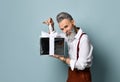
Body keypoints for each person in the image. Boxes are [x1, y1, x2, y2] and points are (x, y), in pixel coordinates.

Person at [43, 12, 93, 82]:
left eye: (66, 26)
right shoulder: (69, 35)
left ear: (73, 22)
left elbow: (82, 65)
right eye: (62, 29)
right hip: (71, 73)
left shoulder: (84, 39)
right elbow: (56, 38)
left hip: (82, 76)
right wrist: (51, 26)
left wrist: (62, 58)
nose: (65, 31)